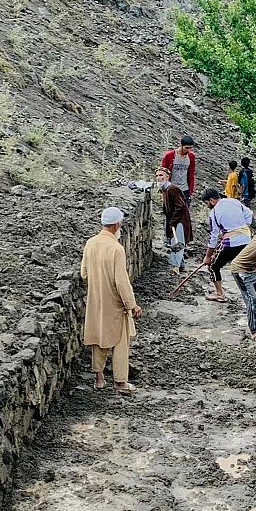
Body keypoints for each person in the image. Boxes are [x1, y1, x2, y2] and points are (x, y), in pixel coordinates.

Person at [79, 207, 141, 393]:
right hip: (114, 303)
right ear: (116, 225)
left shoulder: (90, 243)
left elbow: (84, 273)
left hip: (96, 300)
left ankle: (99, 379)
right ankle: (120, 382)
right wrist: (132, 305)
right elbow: (121, 282)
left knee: (99, 337)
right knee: (121, 341)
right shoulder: (116, 248)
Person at [201, 189, 254, 302]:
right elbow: (249, 213)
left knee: (212, 266)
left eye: (207, 203)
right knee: (245, 267)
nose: (208, 206)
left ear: (211, 200)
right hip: (246, 239)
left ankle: (219, 293)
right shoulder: (234, 201)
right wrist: (243, 227)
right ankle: (252, 291)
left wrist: (208, 256)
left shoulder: (214, 213)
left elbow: (213, 237)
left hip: (231, 243)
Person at [152, 168, 192, 275]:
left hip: (180, 221)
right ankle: (181, 265)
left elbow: (180, 206)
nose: (158, 178)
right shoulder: (165, 190)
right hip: (175, 220)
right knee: (177, 242)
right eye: (157, 176)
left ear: (167, 177)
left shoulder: (172, 189)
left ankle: (175, 267)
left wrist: (173, 221)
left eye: (161, 175)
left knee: (177, 243)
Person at [161, 135, 197, 203]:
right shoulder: (169, 156)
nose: (188, 150)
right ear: (181, 145)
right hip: (171, 189)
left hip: (185, 190)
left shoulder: (191, 156)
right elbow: (163, 173)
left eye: (190, 148)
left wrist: (191, 191)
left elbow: (191, 174)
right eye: (186, 148)